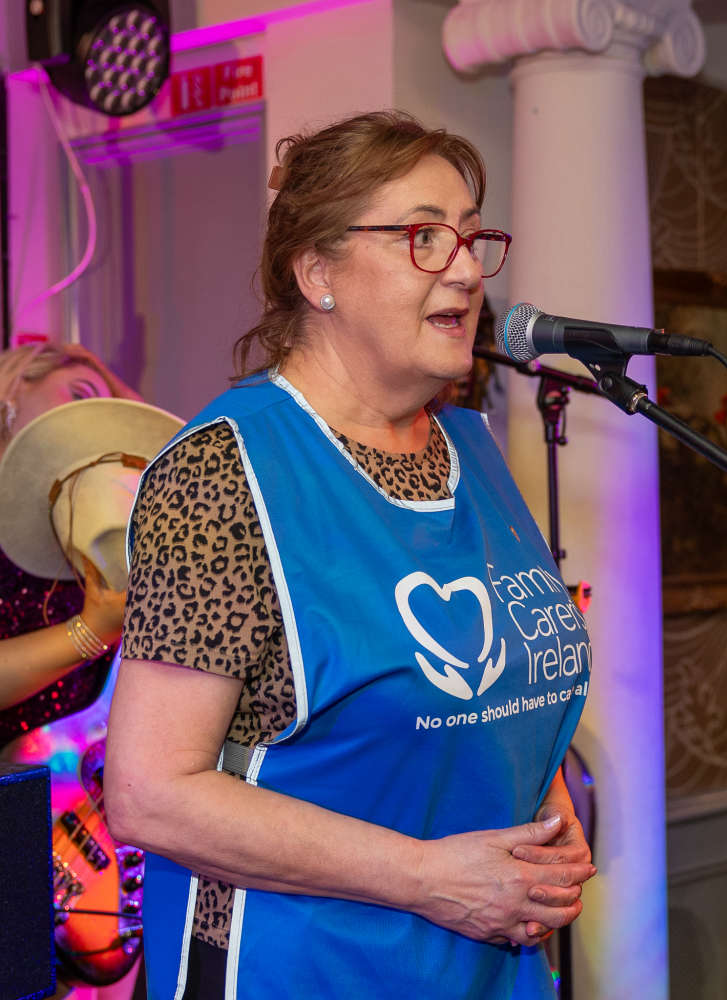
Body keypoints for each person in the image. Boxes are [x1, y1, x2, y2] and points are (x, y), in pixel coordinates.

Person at [105, 110, 595, 1000]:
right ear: (317, 272)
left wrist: (546, 810)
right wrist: (428, 877)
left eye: (471, 238)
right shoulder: (225, 473)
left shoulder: (472, 450)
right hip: (301, 968)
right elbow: (150, 793)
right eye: (422, 238)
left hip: (484, 966)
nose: (464, 268)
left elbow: (492, 688)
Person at [0, 342, 140, 731]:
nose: (91, 419)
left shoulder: (84, 537)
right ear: (18, 384)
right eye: (80, 395)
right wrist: (90, 631)